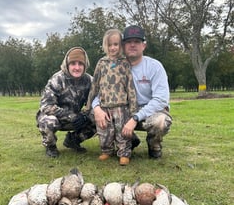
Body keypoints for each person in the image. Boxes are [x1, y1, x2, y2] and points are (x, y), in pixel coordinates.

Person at [93, 25, 172, 159]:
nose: (133, 45)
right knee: (93, 114)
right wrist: (96, 108)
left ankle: (154, 145)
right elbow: (99, 90)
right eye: (129, 42)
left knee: (160, 121)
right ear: (123, 45)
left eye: (137, 42)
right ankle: (125, 141)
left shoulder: (155, 66)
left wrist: (135, 118)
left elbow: (161, 100)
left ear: (144, 46)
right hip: (121, 109)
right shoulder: (111, 65)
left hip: (148, 111)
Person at [86, 29, 138, 166]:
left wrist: (133, 110)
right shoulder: (101, 63)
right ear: (105, 46)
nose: (113, 48)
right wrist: (88, 105)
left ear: (120, 45)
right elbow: (94, 85)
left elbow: (130, 87)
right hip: (104, 106)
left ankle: (124, 153)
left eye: (116, 44)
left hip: (121, 106)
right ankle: (106, 151)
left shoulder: (125, 63)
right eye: (110, 45)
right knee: (104, 131)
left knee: (122, 132)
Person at [36, 47, 96, 157]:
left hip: (77, 119)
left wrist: (84, 116)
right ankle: (51, 146)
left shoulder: (89, 81)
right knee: (48, 121)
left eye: (80, 64)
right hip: (57, 117)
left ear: (85, 65)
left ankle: (73, 140)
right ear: (67, 64)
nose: (77, 68)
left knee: (98, 117)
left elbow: (96, 102)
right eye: (73, 63)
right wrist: (71, 116)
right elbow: (46, 106)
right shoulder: (57, 79)